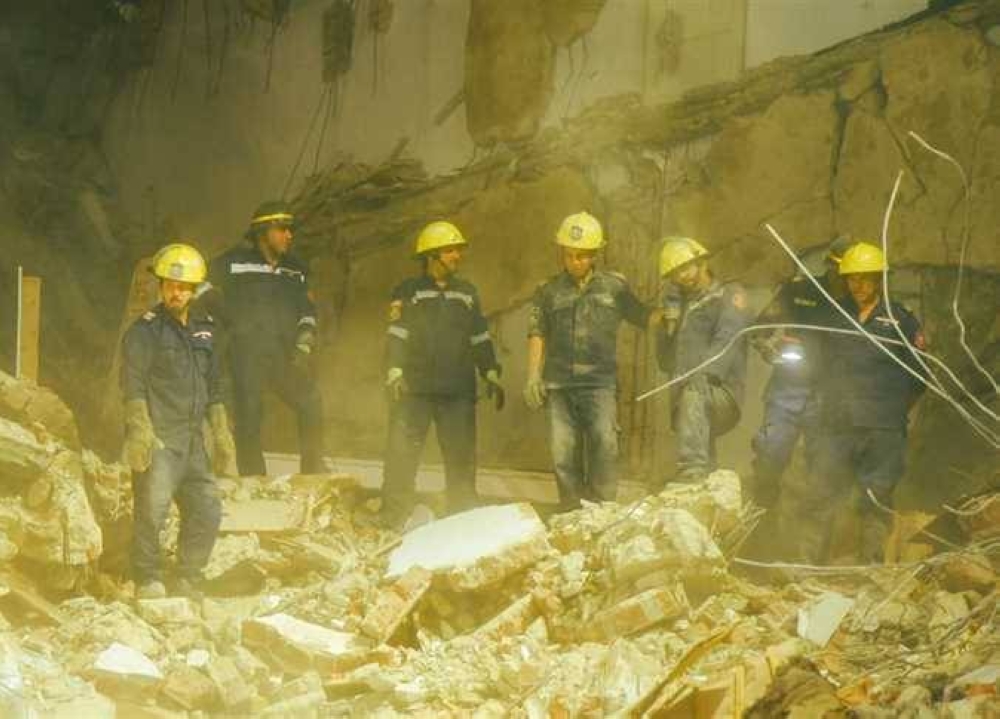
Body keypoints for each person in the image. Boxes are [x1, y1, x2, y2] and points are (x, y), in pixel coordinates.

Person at [792, 242, 926, 564]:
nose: (859, 285)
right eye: (853, 278)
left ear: (880, 279)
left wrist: (893, 410)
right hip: (836, 424)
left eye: (866, 278)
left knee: (876, 499)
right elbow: (814, 367)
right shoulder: (832, 315)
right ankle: (806, 567)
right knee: (820, 494)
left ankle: (871, 571)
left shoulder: (902, 320)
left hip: (883, 427)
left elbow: (919, 376)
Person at [120, 243, 236, 599]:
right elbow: (132, 385)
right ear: (161, 285)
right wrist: (140, 431)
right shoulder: (144, 331)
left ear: (194, 289)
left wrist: (221, 434)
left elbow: (214, 386)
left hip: (192, 441)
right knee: (152, 511)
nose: (177, 293)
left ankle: (188, 576)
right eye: (171, 285)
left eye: (184, 287)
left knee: (207, 507)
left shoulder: (205, 329)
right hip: (160, 440)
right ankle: (147, 579)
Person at [525, 212, 659, 511]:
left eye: (583, 256)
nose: (575, 262)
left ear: (595, 254)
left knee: (604, 447)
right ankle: (572, 512)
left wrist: (667, 316)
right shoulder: (547, 290)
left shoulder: (614, 287)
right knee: (563, 453)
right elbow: (537, 332)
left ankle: (602, 511)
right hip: (559, 384)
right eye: (569, 255)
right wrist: (533, 375)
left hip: (599, 384)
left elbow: (642, 316)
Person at [381, 220, 504, 524]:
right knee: (401, 456)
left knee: (461, 459)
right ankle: (394, 517)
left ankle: (461, 518)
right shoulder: (409, 291)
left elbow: (479, 337)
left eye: (458, 251)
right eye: (451, 251)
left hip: (457, 391)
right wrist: (394, 370)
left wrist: (490, 371)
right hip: (414, 390)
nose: (457, 256)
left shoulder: (467, 293)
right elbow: (397, 334)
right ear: (432, 255)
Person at [204, 201, 324, 476]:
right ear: (262, 232)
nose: (289, 235)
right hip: (245, 355)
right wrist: (226, 316)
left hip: (283, 355)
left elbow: (307, 309)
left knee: (310, 401)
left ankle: (313, 472)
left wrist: (305, 337)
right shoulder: (233, 262)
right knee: (249, 416)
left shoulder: (296, 269)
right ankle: (253, 478)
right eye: (282, 229)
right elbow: (199, 284)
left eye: (290, 230)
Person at [747, 237, 854, 511]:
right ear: (829, 265)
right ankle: (761, 523)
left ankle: (814, 536)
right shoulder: (799, 291)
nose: (844, 278)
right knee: (770, 454)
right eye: (839, 269)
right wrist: (768, 348)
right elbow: (759, 330)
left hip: (831, 399)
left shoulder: (862, 305)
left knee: (825, 472)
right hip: (788, 390)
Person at [656, 237, 750, 483]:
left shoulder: (729, 294)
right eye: (675, 273)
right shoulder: (678, 305)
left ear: (702, 262)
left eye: (686, 267)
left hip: (721, 391)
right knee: (702, 444)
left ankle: (691, 473)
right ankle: (704, 484)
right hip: (689, 399)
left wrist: (704, 373)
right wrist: (666, 326)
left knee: (694, 391)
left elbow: (727, 339)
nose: (681, 276)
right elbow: (664, 362)